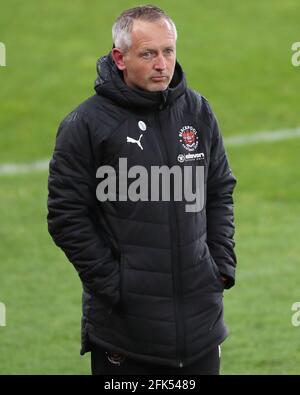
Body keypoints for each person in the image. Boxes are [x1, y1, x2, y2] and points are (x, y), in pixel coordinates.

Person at [47, 5, 237, 375]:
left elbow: (219, 191)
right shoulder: (85, 124)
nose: (162, 64)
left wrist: (220, 266)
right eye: (148, 53)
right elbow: (66, 215)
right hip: (126, 333)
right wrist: (116, 287)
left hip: (201, 325)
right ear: (120, 57)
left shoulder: (197, 112)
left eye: (168, 51)